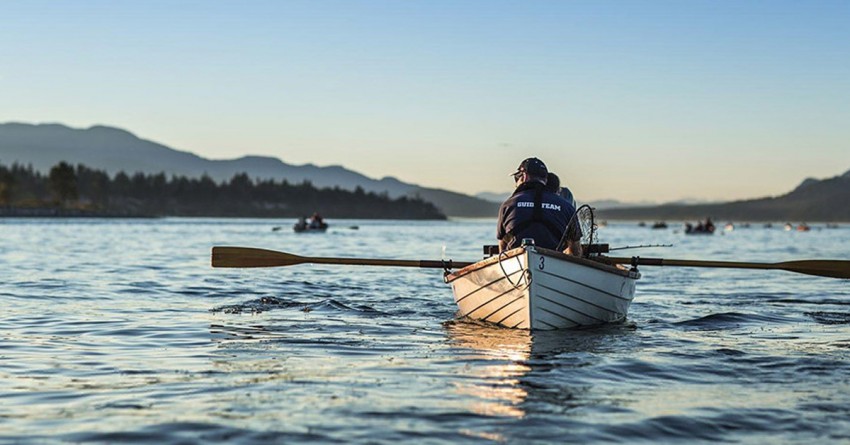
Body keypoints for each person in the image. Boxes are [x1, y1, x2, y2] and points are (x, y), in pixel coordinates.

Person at [497, 157, 581, 256]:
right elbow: (575, 251)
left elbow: (502, 248)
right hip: (554, 262)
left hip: (516, 263)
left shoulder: (507, 205)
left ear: (524, 176)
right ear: (545, 179)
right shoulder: (566, 206)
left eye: (517, 177)